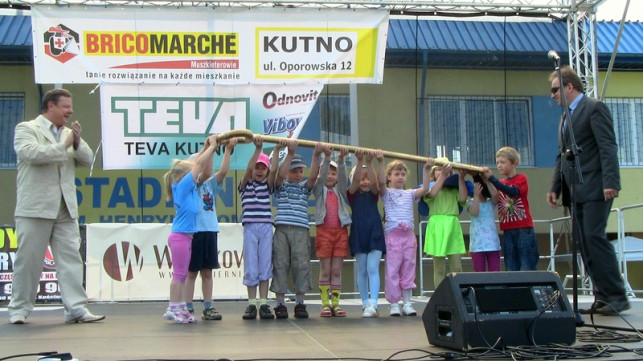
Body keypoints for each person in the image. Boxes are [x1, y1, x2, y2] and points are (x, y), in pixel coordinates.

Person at [8, 88, 105, 325]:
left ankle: (76, 308)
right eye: (65, 107)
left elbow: (87, 159)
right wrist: (63, 147)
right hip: (36, 207)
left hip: (65, 207)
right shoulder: (27, 129)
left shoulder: (69, 134)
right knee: (28, 260)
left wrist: (77, 141)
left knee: (71, 258)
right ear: (50, 106)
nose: (70, 111)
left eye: (70, 107)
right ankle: (19, 309)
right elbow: (31, 154)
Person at [546, 65, 629, 316]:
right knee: (583, 243)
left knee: (594, 237)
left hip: (596, 186)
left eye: (555, 89)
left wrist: (611, 182)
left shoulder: (593, 108)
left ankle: (616, 294)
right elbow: (562, 155)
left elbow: (607, 146)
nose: (553, 95)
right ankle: (602, 295)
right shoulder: (565, 118)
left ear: (569, 86)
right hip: (576, 190)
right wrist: (555, 187)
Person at [162, 134, 219, 324]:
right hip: (179, 237)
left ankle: (181, 308)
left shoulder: (191, 188)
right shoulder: (182, 186)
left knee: (183, 273)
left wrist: (206, 147)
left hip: (188, 238)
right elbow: (199, 165)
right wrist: (212, 147)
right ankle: (173, 307)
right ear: (185, 176)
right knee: (179, 275)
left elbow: (201, 167)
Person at [270, 139, 324, 319]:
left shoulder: (304, 188)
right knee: (280, 263)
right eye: (294, 171)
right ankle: (280, 303)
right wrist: (290, 154)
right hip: (282, 230)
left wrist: (316, 155)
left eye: (301, 170)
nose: (298, 174)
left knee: (301, 265)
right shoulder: (281, 187)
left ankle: (300, 303)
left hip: (301, 230)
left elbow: (314, 176)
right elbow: (278, 175)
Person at [184, 138, 237, 321]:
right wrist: (212, 147)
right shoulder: (190, 183)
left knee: (207, 271)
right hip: (194, 231)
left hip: (210, 230)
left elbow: (222, 172)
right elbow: (205, 172)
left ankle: (208, 306)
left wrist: (228, 150)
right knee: (191, 272)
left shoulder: (210, 185)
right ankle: (188, 306)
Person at [377, 154, 431, 317]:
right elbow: (380, 183)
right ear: (389, 177)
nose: (400, 177)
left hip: (408, 238)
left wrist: (426, 169)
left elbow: (426, 189)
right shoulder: (387, 193)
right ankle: (394, 303)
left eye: (402, 174)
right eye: (396, 174)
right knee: (392, 269)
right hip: (393, 237)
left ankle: (407, 302)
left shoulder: (410, 193)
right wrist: (380, 161)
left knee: (409, 269)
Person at [238, 135, 278, 320]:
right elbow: (247, 169)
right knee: (251, 265)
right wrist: (258, 149)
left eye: (263, 168)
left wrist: (276, 151)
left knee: (264, 264)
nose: (260, 171)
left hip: (266, 228)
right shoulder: (245, 186)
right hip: (251, 227)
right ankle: (251, 304)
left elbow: (275, 169)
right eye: (257, 167)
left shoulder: (267, 186)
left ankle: (264, 303)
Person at [482, 147, 538, 271]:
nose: (499, 165)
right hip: (508, 230)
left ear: (514, 163)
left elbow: (513, 192)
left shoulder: (521, 178)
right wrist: (481, 177)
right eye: (497, 163)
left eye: (503, 162)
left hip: (523, 228)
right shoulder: (499, 182)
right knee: (510, 265)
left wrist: (492, 179)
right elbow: (487, 192)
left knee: (526, 264)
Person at [347, 149, 386, 318]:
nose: (365, 182)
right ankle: (365, 303)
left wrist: (370, 163)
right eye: (362, 179)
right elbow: (355, 182)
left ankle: (374, 303)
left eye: (367, 178)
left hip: (374, 233)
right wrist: (359, 160)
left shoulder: (374, 194)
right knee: (361, 270)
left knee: (372, 268)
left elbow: (377, 185)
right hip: (359, 234)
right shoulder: (352, 195)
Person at [313, 147, 351, 317]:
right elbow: (320, 179)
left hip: (340, 232)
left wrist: (341, 160)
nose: (330, 176)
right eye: (327, 172)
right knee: (326, 270)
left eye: (333, 174)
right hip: (324, 232)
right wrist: (327, 158)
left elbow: (344, 179)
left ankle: (335, 303)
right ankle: (324, 304)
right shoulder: (319, 190)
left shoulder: (340, 191)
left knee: (336, 270)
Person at [423, 158, 468, 289]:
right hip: (437, 226)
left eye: (445, 170)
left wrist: (460, 178)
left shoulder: (453, 189)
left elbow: (463, 199)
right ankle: (439, 294)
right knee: (438, 268)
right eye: (438, 169)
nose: (442, 171)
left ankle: (459, 294)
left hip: (452, 225)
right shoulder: (430, 186)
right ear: (433, 172)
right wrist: (442, 176)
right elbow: (431, 195)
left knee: (457, 266)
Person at [466, 174, 501, 272]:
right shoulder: (470, 202)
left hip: (493, 244)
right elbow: (475, 212)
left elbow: (495, 195)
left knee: (495, 271)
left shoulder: (490, 202)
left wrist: (487, 181)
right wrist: (476, 195)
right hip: (477, 245)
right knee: (479, 272)